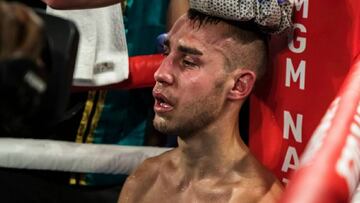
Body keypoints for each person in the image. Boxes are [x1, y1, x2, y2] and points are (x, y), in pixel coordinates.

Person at [118, 9, 284, 203]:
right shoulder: (145, 177)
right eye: (165, 53)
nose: (160, 73)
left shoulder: (261, 199)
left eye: (188, 62)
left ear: (239, 85)